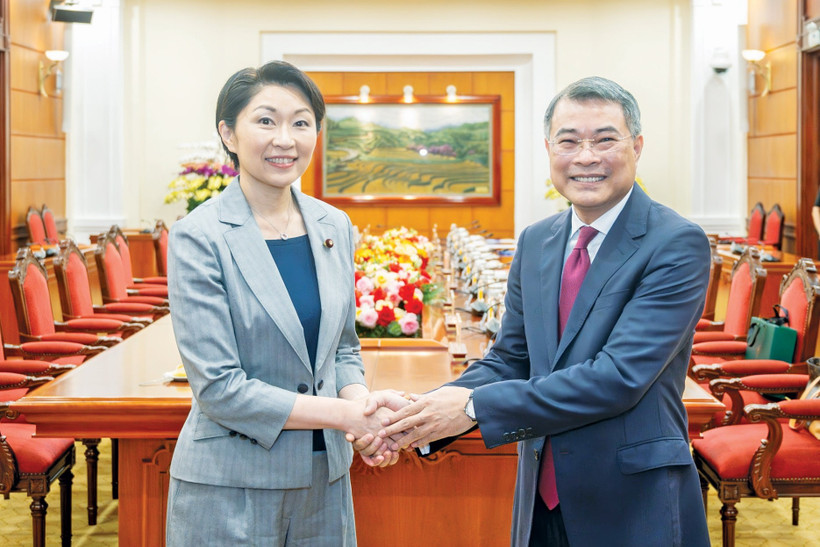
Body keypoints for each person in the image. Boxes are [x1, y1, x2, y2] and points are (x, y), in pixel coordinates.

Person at [366, 76, 712, 546]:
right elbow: (512, 358)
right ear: (550, 149)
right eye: (569, 141)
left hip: (631, 501)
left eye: (604, 139)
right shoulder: (537, 240)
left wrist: (470, 408)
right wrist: (421, 413)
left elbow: (618, 378)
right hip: (540, 500)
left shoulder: (674, 242)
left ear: (637, 145)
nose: (585, 157)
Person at [165, 60, 406, 545]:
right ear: (229, 133)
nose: (286, 139)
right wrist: (346, 417)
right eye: (266, 120)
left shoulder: (333, 225)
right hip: (231, 485)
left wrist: (362, 410)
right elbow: (220, 388)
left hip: (327, 482)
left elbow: (342, 349)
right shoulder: (200, 236)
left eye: (301, 122)